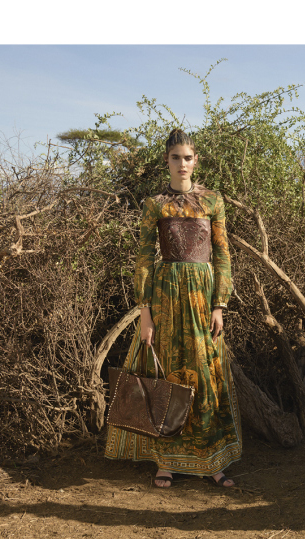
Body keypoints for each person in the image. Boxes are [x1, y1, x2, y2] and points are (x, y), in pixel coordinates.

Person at [105, 128, 242, 488]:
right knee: (166, 374)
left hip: (202, 296)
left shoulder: (213, 201)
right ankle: (165, 461)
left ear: (196, 161)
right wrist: (145, 311)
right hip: (165, 296)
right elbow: (144, 258)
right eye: (176, 157)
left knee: (205, 371)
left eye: (188, 157)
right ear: (166, 161)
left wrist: (219, 304)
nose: (182, 163)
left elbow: (223, 253)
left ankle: (211, 459)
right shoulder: (155, 204)